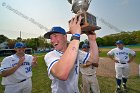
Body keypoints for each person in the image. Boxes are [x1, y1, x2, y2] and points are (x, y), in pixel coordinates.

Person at [44, 15, 99, 93]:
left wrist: (92, 41)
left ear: (65, 37)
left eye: (55, 36)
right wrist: (76, 36)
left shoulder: (76, 52)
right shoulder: (50, 55)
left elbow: (94, 59)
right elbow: (62, 74)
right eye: (51, 38)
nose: (52, 40)